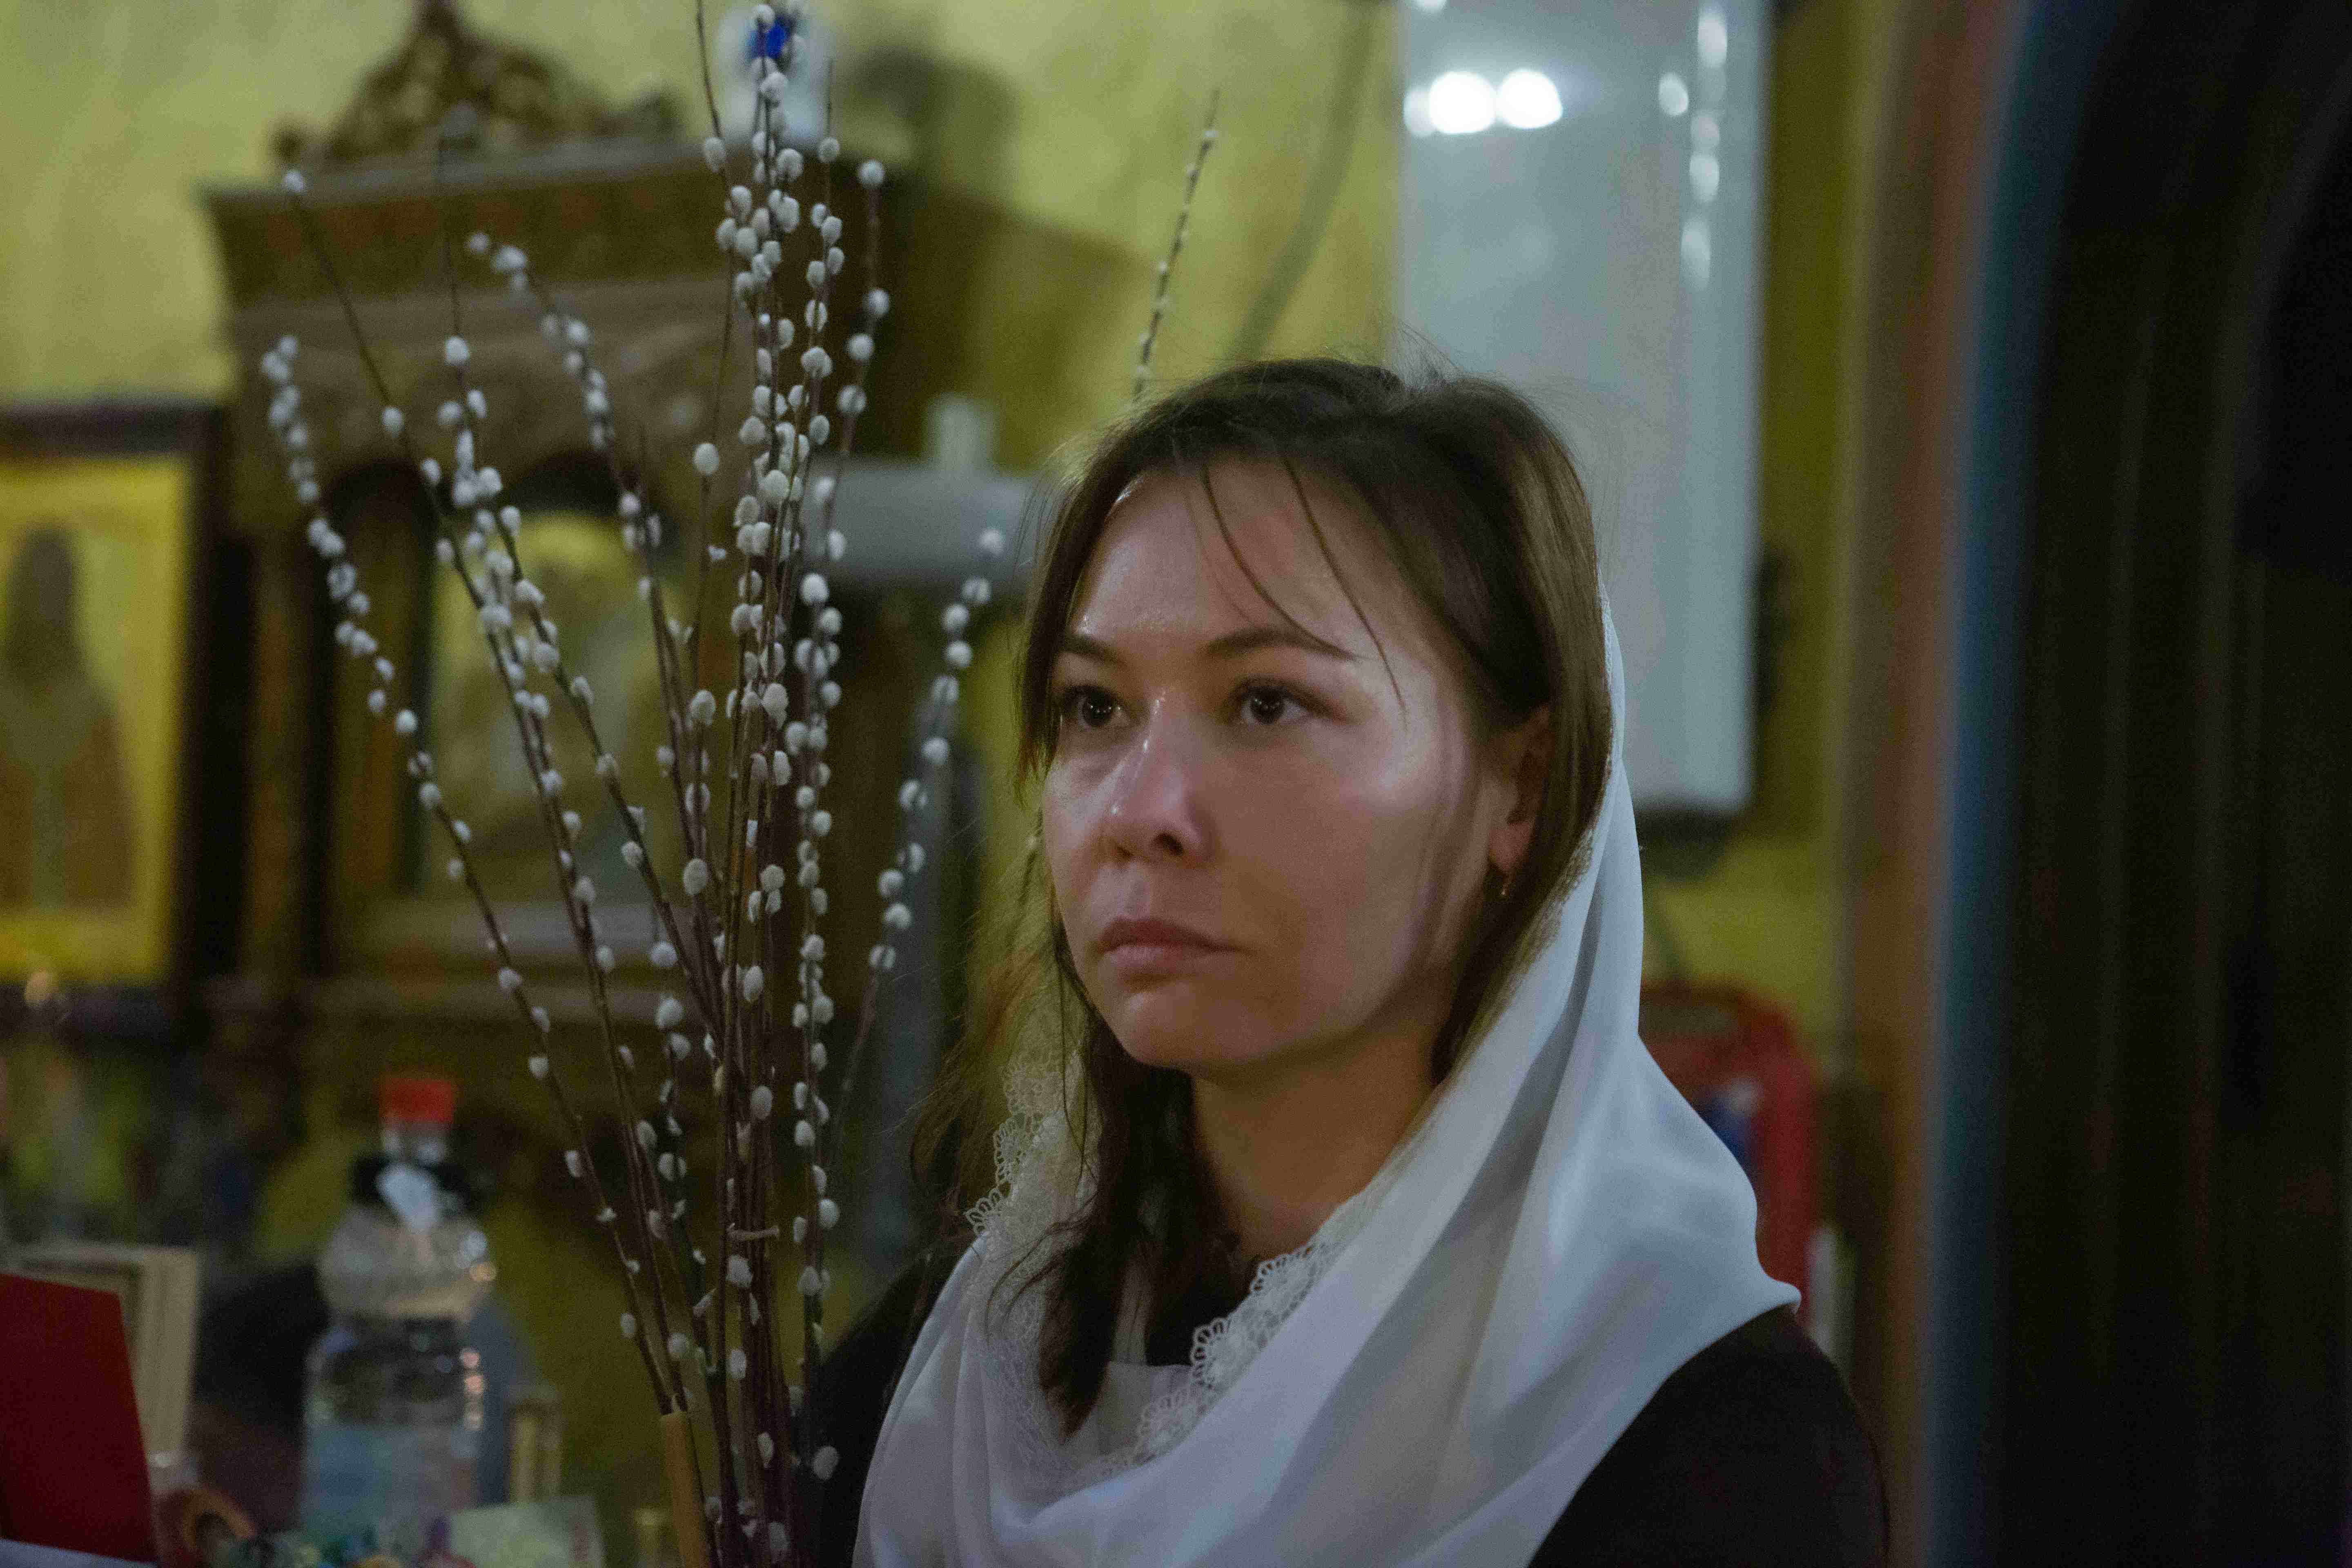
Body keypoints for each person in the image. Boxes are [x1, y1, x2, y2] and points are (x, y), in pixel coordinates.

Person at [812, 359, 1884, 1566]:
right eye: (1094, 707)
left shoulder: (1691, 1443)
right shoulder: (934, 1385)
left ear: (1521, 788)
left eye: (1267, 703)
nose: (1140, 811)